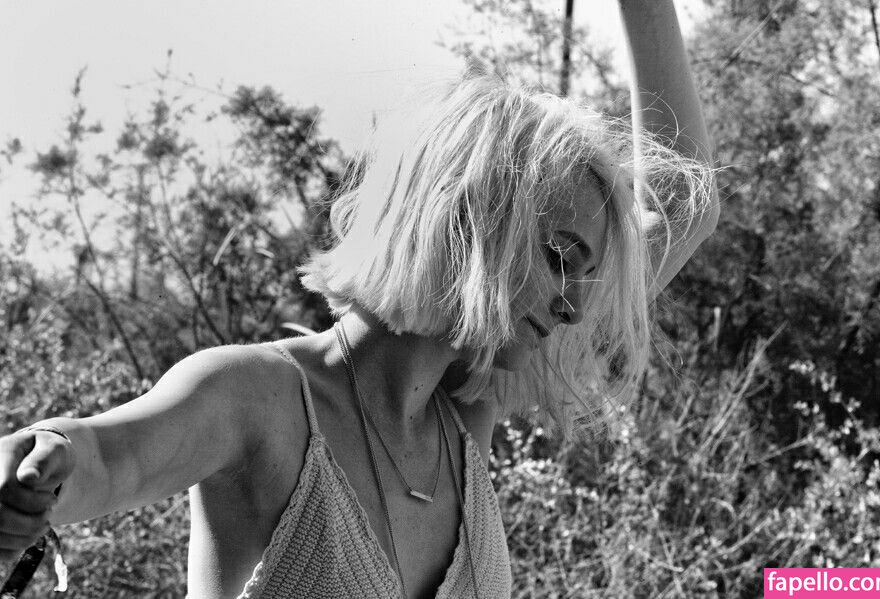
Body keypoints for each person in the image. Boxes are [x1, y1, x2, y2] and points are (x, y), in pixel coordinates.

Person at [0, 1, 718, 597]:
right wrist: (38, 463)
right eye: (560, 258)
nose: (574, 307)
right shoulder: (260, 398)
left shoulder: (468, 414)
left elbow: (685, 203)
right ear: (469, 219)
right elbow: (108, 456)